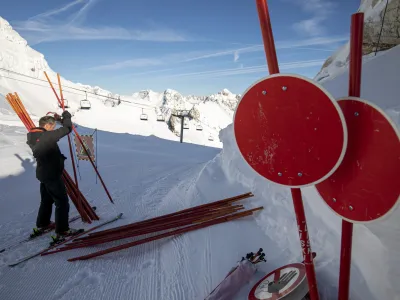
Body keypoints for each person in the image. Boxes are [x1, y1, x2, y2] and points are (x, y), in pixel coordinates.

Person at [26, 110, 78, 239]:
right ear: (47, 126)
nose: (53, 129)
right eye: (53, 126)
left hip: (43, 173)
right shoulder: (47, 136)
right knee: (62, 202)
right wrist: (66, 115)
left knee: (47, 199)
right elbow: (67, 128)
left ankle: (43, 223)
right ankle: (62, 230)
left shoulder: (33, 135)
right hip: (52, 175)